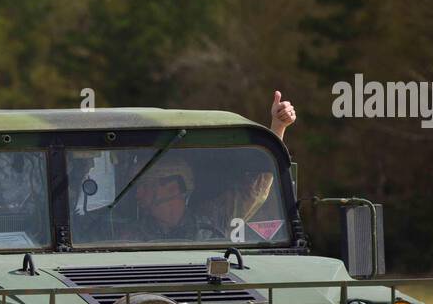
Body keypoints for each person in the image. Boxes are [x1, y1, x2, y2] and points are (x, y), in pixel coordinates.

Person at [102, 92, 298, 243]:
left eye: (145, 186)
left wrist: (278, 126)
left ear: (172, 187)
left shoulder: (213, 218)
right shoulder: (130, 234)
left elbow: (255, 190)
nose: (138, 195)